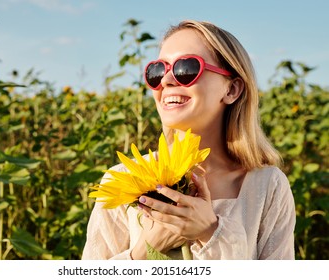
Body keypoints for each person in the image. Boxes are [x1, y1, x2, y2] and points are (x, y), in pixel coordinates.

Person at [82, 20, 296, 260]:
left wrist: (211, 232)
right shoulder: (123, 179)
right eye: (157, 71)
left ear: (232, 90)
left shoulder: (267, 187)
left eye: (186, 69)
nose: (166, 81)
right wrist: (147, 248)